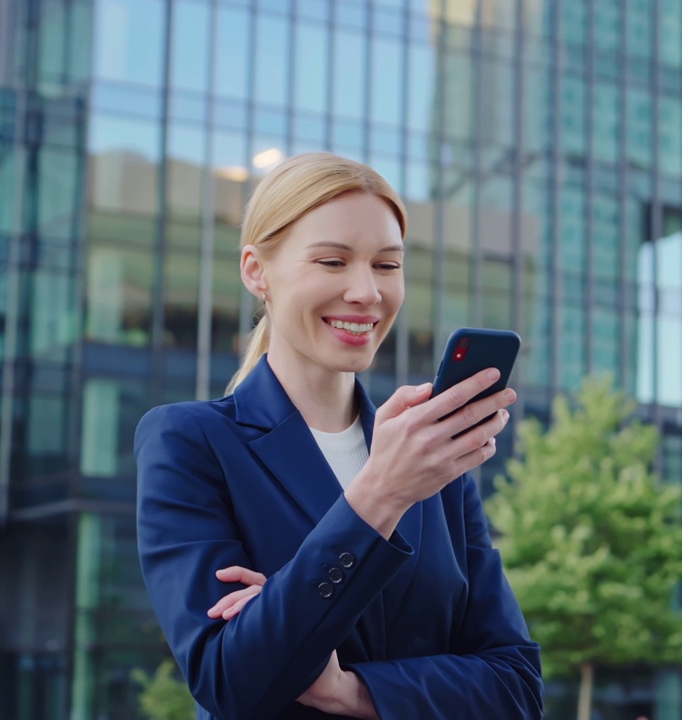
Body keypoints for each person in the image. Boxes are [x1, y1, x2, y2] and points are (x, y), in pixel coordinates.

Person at [134, 152, 544, 719]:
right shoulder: (191, 442)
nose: (366, 292)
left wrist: (349, 691)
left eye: (387, 265)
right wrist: (381, 493)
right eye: (332, 261)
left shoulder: (432, 460)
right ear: (257, 271)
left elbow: (517, 687)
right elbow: (229, 677)